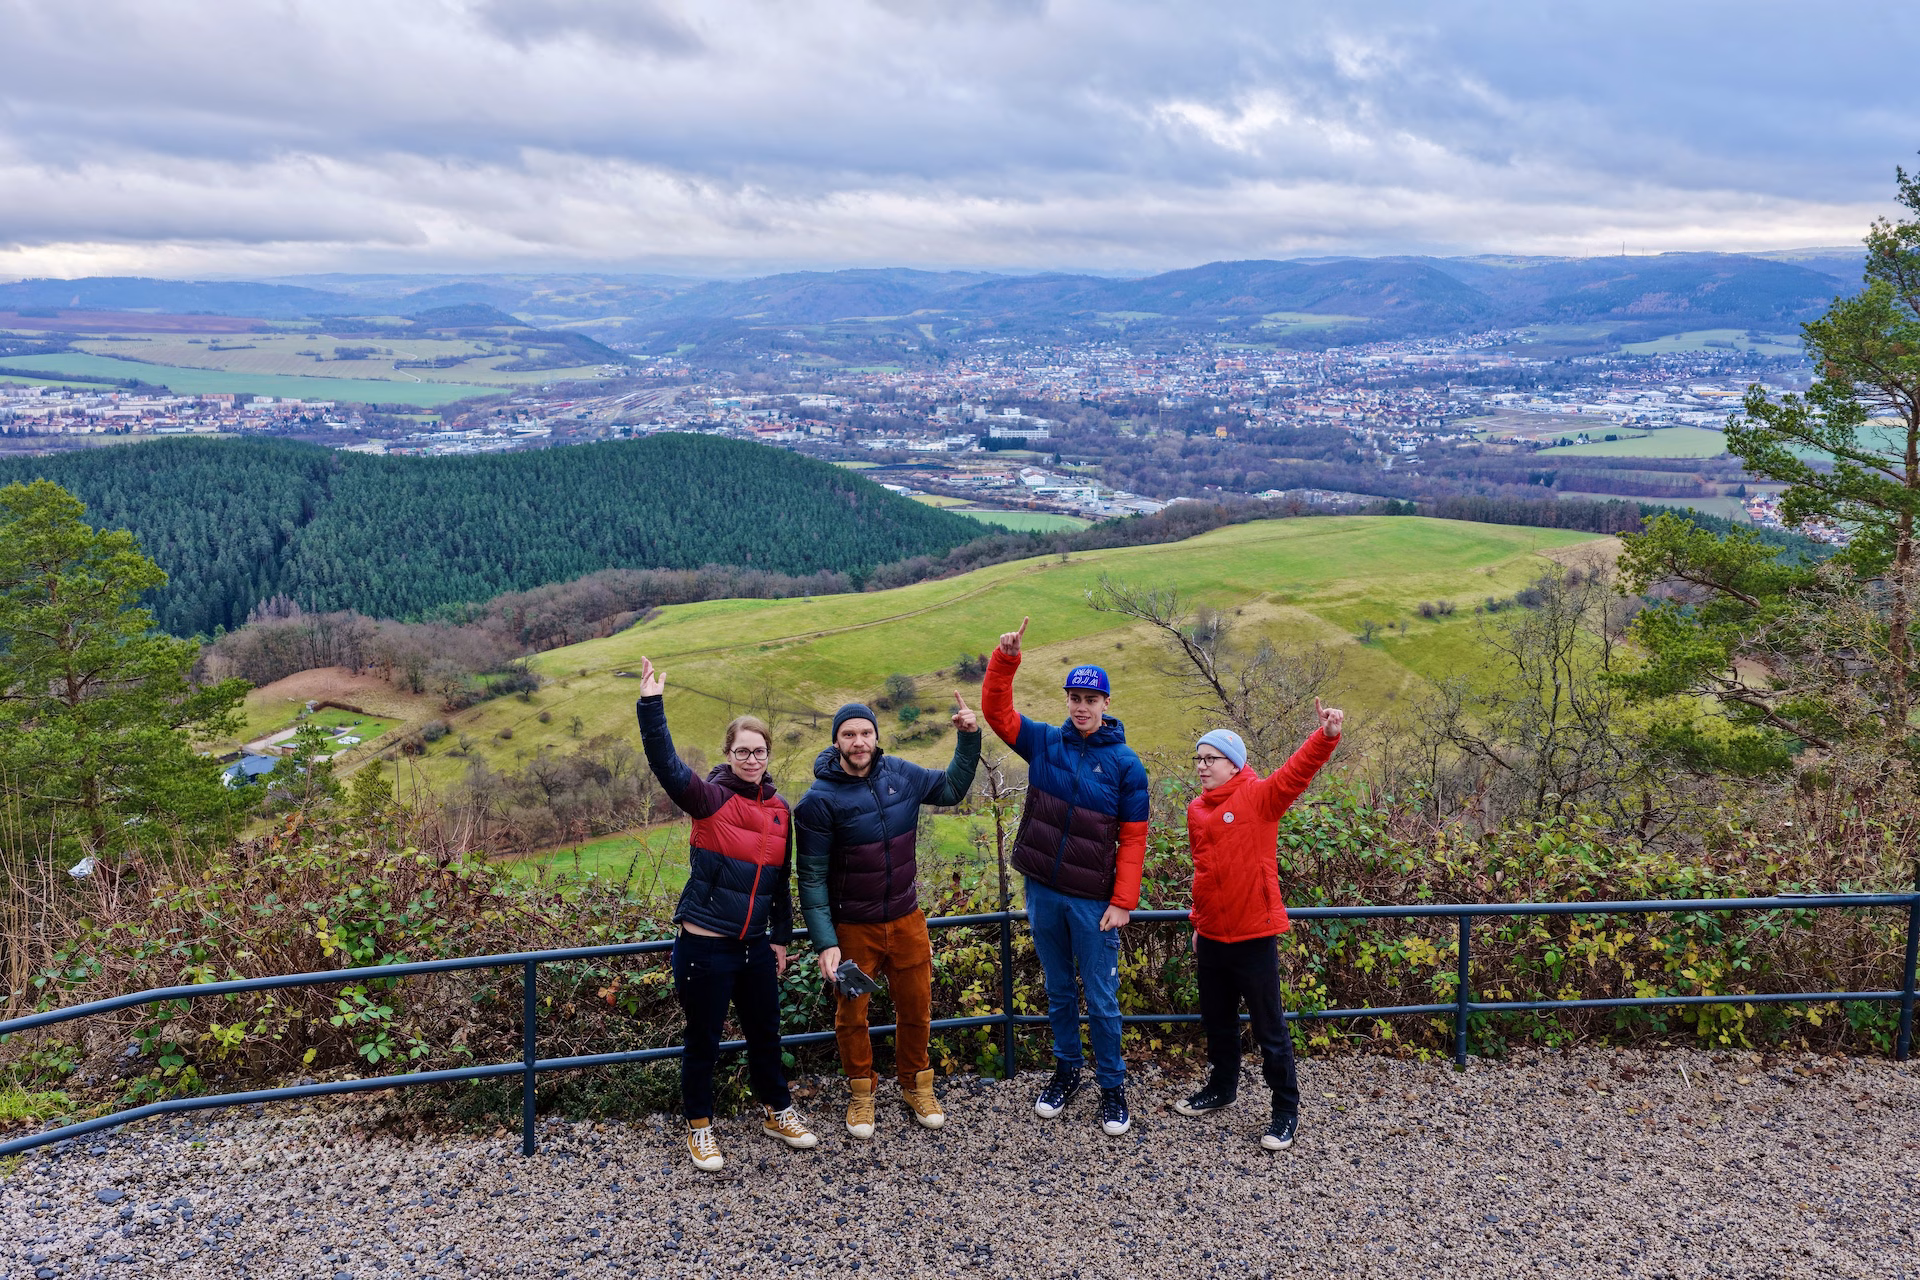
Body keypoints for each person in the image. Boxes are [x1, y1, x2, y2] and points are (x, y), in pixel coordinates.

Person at [635, 657, 817, 1172]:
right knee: (704, 1039)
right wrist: (651, 705)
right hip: (705, 945)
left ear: (769, 753)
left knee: (766, 1033)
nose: (751, 759)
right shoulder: (709, 800)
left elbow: (782, 881)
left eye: (758, 751)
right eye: (742, 751)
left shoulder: (781, 810)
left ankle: (777, 1110)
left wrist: (779, 938)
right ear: (729, 754)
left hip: (755, 947)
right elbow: (666, 764)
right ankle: (699, 1128)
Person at [981, 616, 1149, 1137]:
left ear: (1106, 704)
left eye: (1090, 699)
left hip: (1093, 900)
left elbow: (1135, 839)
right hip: (1044, 889)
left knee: (1100, 996)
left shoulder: (1126, 765)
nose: (1080, 707)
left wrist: (1123, 901)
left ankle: (1112, 1086)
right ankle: (1067, 1071)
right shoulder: (1044, 744)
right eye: (1074, 697)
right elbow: (996, 711)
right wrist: (1005, 659)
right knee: (1057, 990)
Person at [796, 694, 982, 1139]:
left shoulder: (901, 773)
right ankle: (862, 1094)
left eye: (865, 733)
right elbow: (811, 880)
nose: (859, 742)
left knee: (917, 1007)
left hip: (906, 919)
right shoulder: (817, 802)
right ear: (836, 741)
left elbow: (952, 789)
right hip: (853, 930)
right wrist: (826, 942)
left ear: (876, 737)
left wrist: (969, 737)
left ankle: (917, 1085)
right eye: (849, 734)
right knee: (851, 1014)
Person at [1173, 700, 1344, 1152]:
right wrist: (1197, 920)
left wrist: (1325, 736)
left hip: (1253, 934)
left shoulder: (1260, 798)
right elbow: (1203, 872)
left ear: (1235, 764)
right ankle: (1222, 1088)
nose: (1202, 766)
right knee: (1217, 1021)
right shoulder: (1196, 810)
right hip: (1211, 935)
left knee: (1269, 1027)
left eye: (1211, 758)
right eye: (1199, 758)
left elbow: (1296, 773)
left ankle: (1285, 1111)